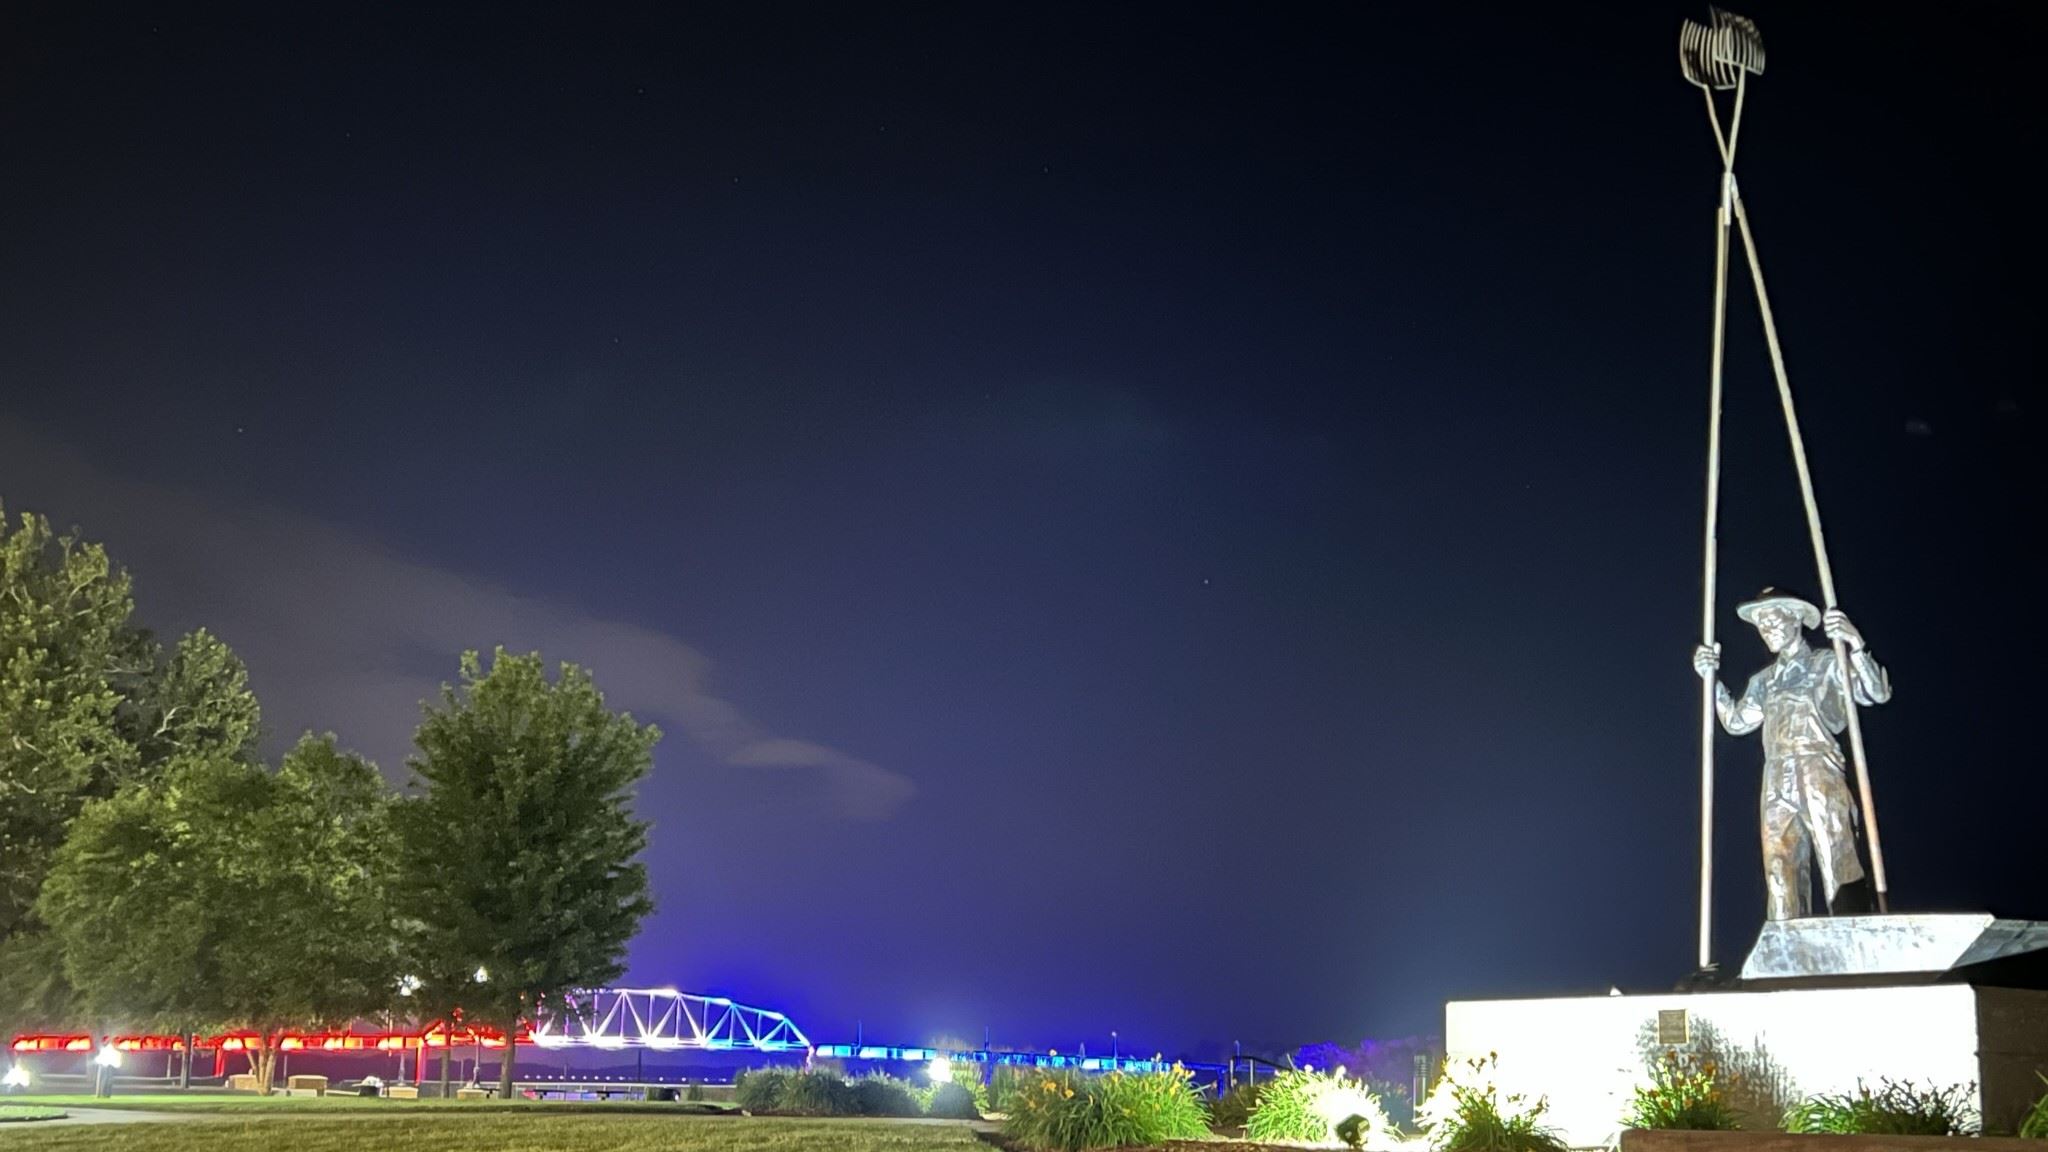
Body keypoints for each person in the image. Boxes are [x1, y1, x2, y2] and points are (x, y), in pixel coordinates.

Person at [1694, 587, 1891, 920]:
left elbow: (1876, 692)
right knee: (1779, 865)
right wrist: (1712, 682)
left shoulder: (1827, 662)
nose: (1767, 629)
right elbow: (1737, 722)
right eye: (1762, 624)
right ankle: (1786, 940)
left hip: (1818, 769)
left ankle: (1850, 928)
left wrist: (1855, 645)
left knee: (1836, 855)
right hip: (1775, 779)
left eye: (1773, 620)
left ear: (1796, 618)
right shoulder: (1764, 681)